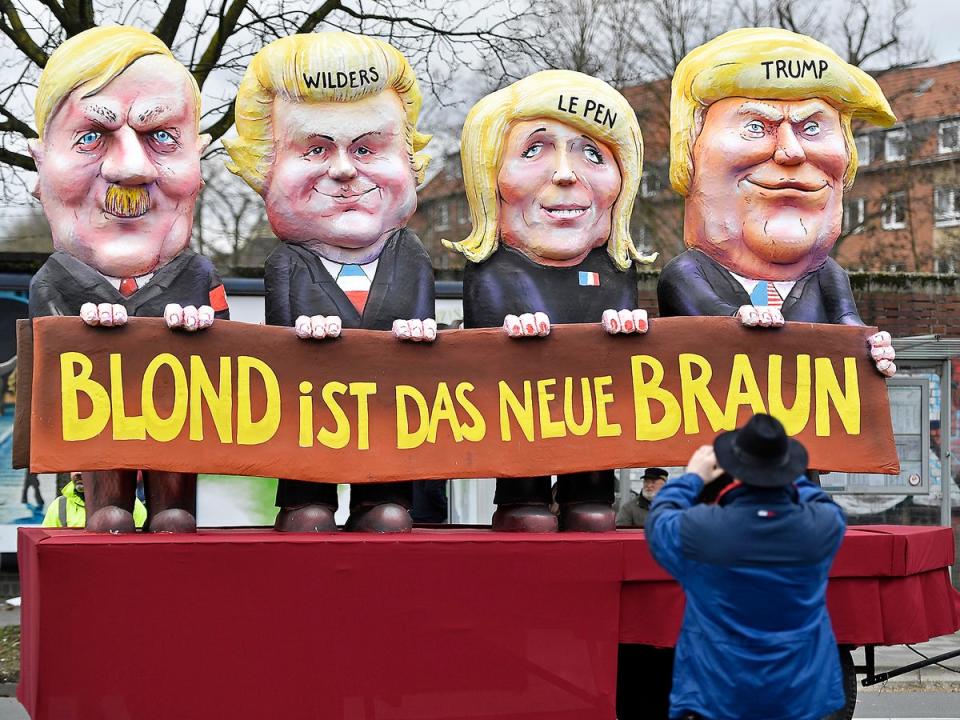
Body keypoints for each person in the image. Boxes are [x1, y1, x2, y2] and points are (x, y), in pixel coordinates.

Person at [224, 32, 436, 533]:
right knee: (306, 459)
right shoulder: (288, 262)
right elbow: (282, 330)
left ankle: (381, 498)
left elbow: (424, 314)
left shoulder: (411, 255)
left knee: (387, 461)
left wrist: (421, 330)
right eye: (315, 149)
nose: (343, 170)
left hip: (389, 406)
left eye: (367, 148)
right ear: (265, 167)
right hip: (310, 409)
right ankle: (303, 499)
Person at [27, 26, 228, 533]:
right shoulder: (55, 281)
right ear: (40, 165)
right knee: (109, 504)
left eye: (162, 136)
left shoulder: (198, 274)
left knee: (176, 510)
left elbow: (233, 352)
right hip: (99, 433)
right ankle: (106, 503)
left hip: (177, 421)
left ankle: (172, 504)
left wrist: (207, 324)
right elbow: (48, 371)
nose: (131, 168)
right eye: (91, 136)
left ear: (196, 163)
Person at [445, 70, 656, 532]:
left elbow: (620, 328)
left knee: (595, 435)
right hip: (524, 400)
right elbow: (489, 325)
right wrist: (511, 326)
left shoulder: (615, 266)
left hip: (592, 400)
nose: (564, 173)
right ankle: (523, 494)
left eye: (593, 153)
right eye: (534, 150)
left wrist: (623, 325)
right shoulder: (493, 267)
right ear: (490, 175)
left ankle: (589, 490)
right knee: (526, 438)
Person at [656, 28, 896, 378]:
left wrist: (870, 349)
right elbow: (703, 317)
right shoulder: (686, 274)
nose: (791, 151)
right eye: (755, 126)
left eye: (812, 128)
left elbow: (849, 329)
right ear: (690, 153)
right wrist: (739, 318)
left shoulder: (828, 276)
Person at [646, 414, 847, 720]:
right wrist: (787, 476)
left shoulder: (702, 530)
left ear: (735, 471)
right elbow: (824, 503)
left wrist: (693, 476)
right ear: (787, 470)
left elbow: (659, 519)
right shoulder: (821, 526)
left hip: (720, 694)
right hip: (800, 694)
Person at [43, 473, 147, 529]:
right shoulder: (60, 505)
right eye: (74, 467)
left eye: (86, 468)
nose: (78, 473)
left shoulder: (133, 506)